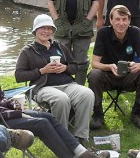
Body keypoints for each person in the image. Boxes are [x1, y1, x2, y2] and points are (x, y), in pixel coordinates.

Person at [0, 31, 114, 158]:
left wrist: (11, 103)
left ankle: (83, 154)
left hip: (0, 113)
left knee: (47, 116)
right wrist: (14, 113)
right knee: (40, 123)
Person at [15, 14, 94, 143]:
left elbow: (74, 67)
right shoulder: (27, 51)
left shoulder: (60, 47)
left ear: (53, 31)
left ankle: (80, 136)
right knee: (61, 99)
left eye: (49, 28)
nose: (46, 31)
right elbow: (19, 76)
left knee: (87, 94)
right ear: (35, 30)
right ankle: (61, 138)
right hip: (43, 88)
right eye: (43, 28)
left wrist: (65, 68)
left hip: (67, 85)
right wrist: (42, 71)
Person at [88, 5, 140, 130]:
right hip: (107, 76)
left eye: (124, 19)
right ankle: (98, 115)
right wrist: (109, 67)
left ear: (129, 21)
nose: (121, 23)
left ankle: (137, 113)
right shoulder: (103, 33)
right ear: (111, 20)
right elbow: (94, 63)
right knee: (94, 74)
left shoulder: (135, 33)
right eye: (117, 19)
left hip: (128, 76)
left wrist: (137, 66)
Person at [48, 0, 99, 86]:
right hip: (61, 26)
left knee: (81, 62)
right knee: (59, 60)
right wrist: (56, 20)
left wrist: (88, 19)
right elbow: (50, 1)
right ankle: (62, 89)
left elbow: (96, 1)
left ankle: (79, 91)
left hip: (82, 26)